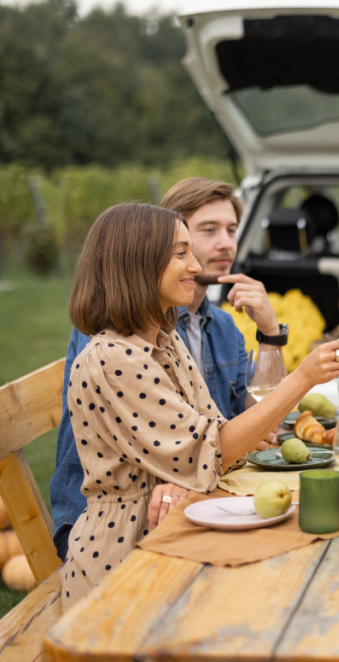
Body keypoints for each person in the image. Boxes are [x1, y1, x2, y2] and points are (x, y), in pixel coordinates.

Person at [60, 203, 339, 608]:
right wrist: (301, 378)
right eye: (180, 253)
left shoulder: (164, 340)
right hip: (128, 558)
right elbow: (213, 450)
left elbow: (212, 439)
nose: (195, 265)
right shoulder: (113, 359)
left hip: (176, 525)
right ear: (138, 263)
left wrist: (193, 467)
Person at [50, 178, 288, 559]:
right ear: (150, 247)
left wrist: (271, 335)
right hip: (109, 523)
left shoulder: (217, 327)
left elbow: (255, 423)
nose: (225, 244)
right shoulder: (112, 338)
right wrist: (186, 471)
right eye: (207, 232)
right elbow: (163, 441)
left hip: (193, 487)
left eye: (231, 230)